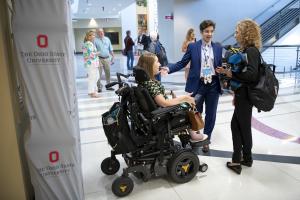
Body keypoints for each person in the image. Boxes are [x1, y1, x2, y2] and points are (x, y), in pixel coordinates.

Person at [161, 20, 223, 153]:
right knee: (195, 112)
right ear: (201, 32)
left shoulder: (218, 47)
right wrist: (169, 68)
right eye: (207, 31)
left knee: (211, 114)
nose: (209, 34)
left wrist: (222, 71)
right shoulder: (193, 47)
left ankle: (207, 140)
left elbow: (219, 65)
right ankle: (196, 137)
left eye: (211, 31)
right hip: (198, 85)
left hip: (213, 84)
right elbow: (182, 62)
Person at [216, 19, 261, 174]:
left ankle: (238, 160)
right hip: (244, 94)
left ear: (245, 33)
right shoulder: (248, 50)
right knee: (240, 126)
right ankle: (246, 158)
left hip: (245, 96)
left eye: (237, 31)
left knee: (240, 126)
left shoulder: (251, 51)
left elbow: (251, 75)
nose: (235, 34)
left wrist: (230, 73)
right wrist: (227, 72)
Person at [137, 53, 208, 143]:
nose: (159, 64)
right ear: (149, 66)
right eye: (157, 62)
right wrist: (184, 98)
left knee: (185, 101)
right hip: (162, 114)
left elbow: (155, 95)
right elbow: (164, 103)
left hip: (159, 111)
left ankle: (187, 135)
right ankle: (193, 135)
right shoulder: (150, 84)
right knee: (187, 105)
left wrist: (171, 94)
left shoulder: (146, 82)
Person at [94, 28, 115, 92]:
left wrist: (113, 57)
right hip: (99, 59)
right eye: (99, 32)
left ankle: (108, 86)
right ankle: (99, 87)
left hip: (107, 58)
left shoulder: (107, 39)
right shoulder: (95, 40)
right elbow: (94, 51)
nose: (101, 33)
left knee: (108, 73)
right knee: (98, 74)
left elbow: (110, 49)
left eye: (102, 31)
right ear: (97, 33)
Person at [82, 31, 99, 98]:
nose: (94, 37)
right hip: (91, 63)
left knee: (95, 77)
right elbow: (91, 54)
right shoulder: (88, 44)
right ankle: (92, 92)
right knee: (93, 77)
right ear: (89, 36)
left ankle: (92, 91)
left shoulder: (87, 43)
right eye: (93, 35)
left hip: (91, 63)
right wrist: (98, 53)